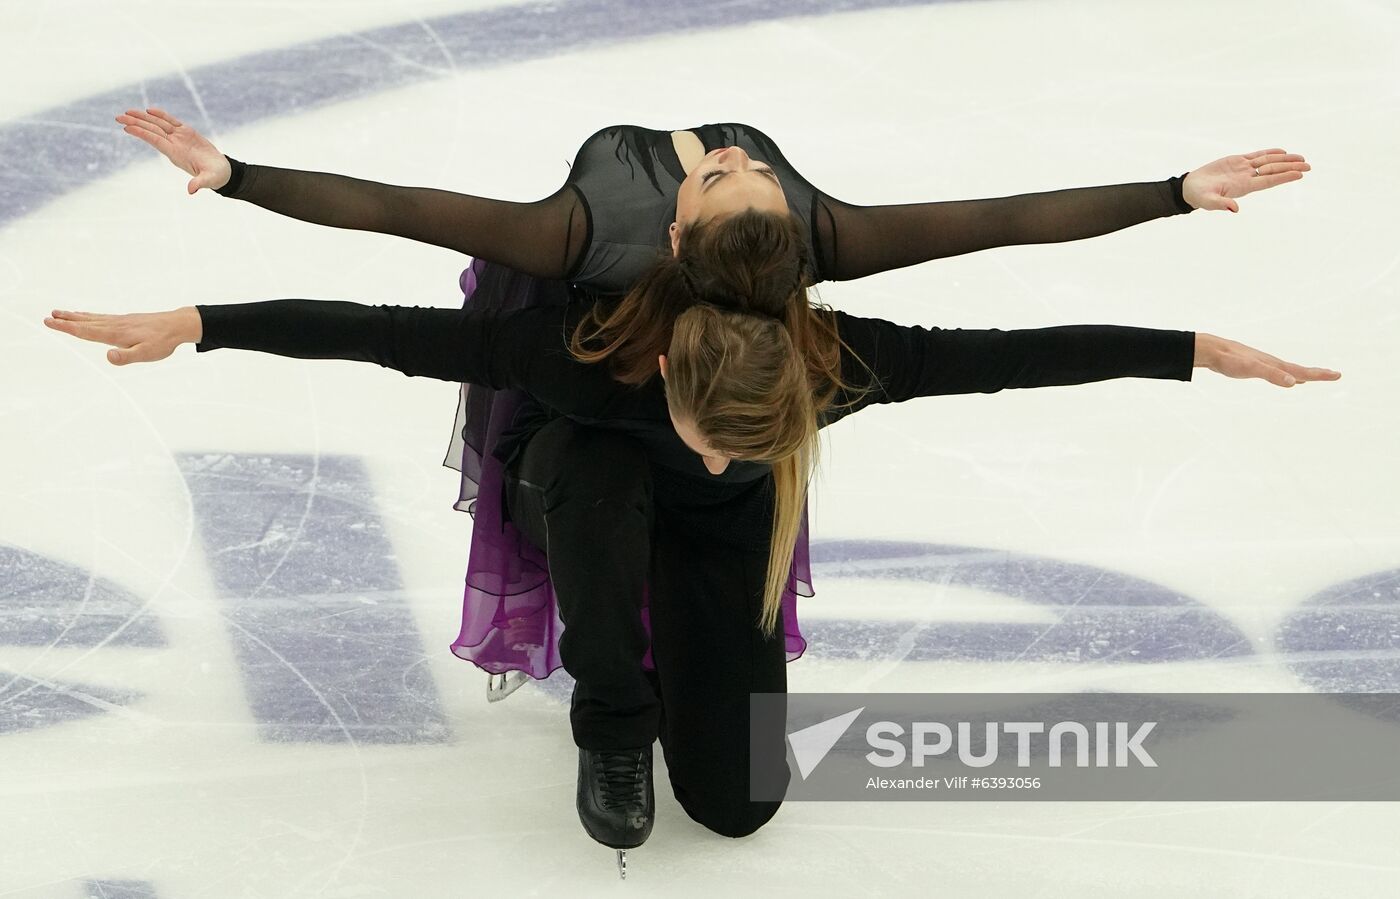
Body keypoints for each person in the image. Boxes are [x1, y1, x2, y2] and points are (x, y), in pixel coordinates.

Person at [42, 295, 1340, 862]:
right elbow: (383, 333)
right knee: (602, 499)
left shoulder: (837, 360)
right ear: (666, 377)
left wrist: (1198, 349)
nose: (734, 445)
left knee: (737, 805)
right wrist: (200, 323)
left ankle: (689, 691)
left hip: (719, 539)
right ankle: (612, 715)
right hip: (585, 492)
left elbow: (1010, 353)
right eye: (722, 432)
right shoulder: (586, 355)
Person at [113, 107, 1313, 685]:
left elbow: (1001, 235)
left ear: (787, 238)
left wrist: (1172, 206)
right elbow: (400, 224)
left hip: (722, 401)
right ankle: (610, 710)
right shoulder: (590, 238)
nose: (735, 158)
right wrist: (237, 184)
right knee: (592, 473)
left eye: (757, 181)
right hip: (590, 394)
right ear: (675, 229)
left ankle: (708, 621)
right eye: (734, 178)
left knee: (737, 768)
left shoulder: (809, 283)